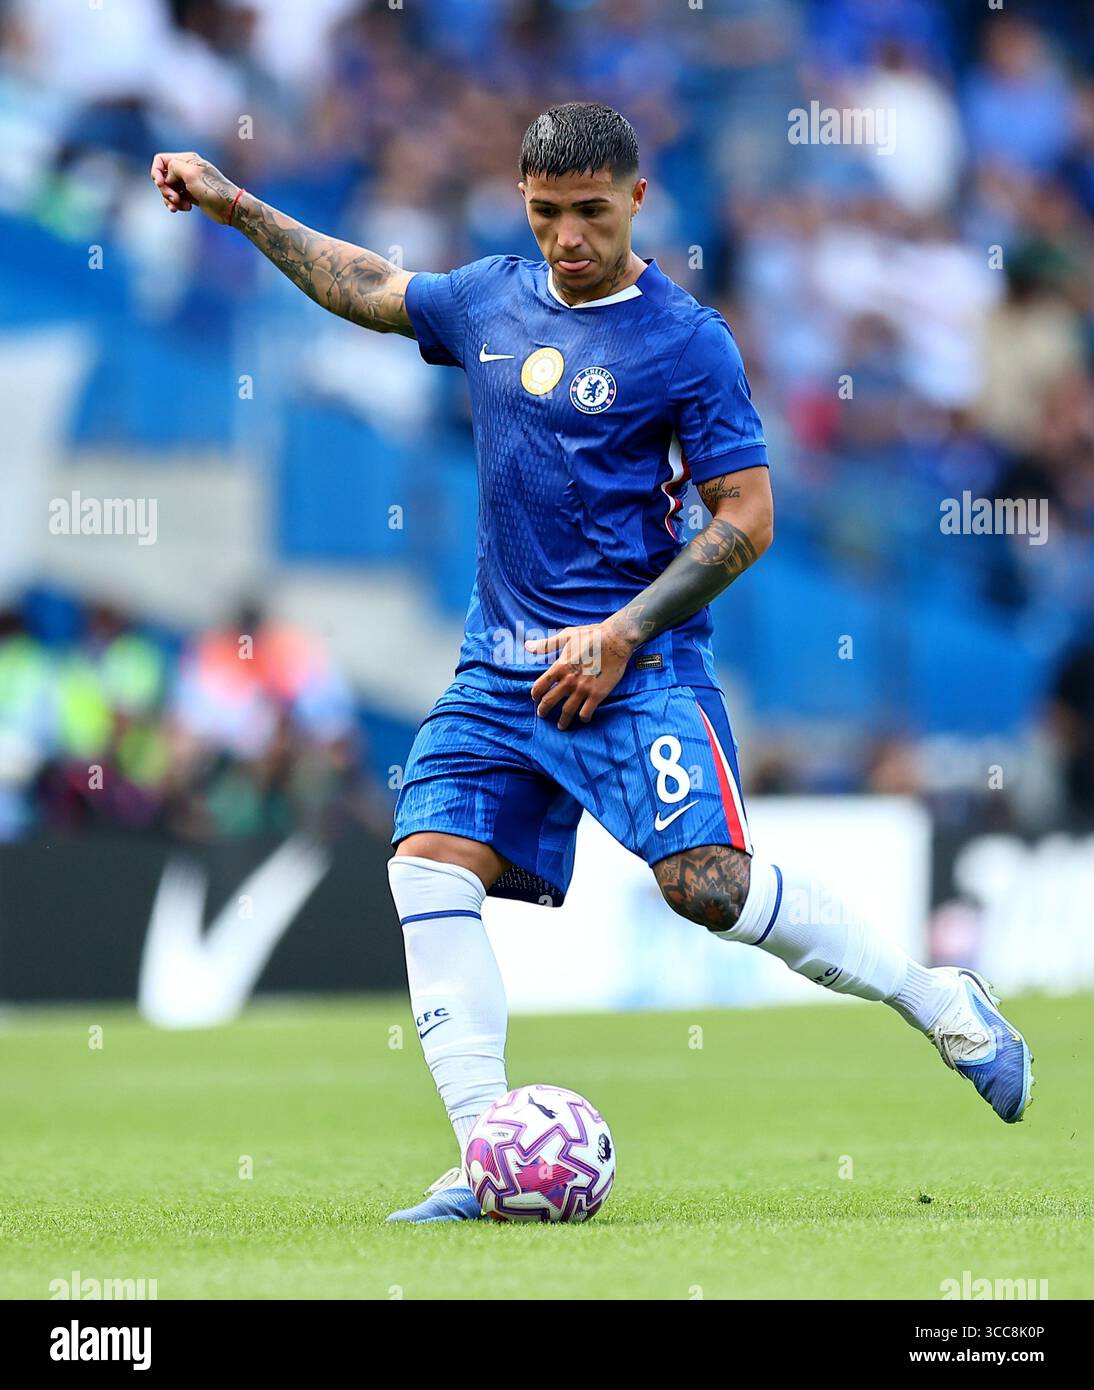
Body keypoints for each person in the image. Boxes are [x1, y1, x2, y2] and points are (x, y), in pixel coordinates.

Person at [151, 101, 1034, 1223]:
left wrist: (622, 631)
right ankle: (487, 1156)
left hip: (641, 667)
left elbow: (747, 516)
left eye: (587, 213)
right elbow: (363, 284)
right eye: (545, 214)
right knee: (424, 862)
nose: (567, 238)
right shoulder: (485, 299)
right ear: (522, 202)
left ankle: (938, 1000)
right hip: (502, 664)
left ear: (635, 200)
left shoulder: (686, 342)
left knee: (704, 890)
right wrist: (232, 205)